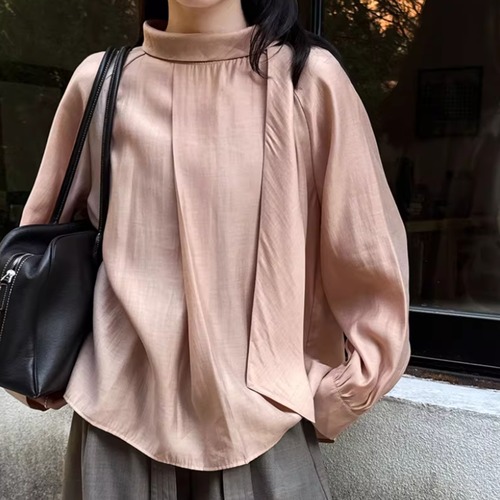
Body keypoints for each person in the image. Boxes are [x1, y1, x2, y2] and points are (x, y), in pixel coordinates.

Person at [7, 0, 411, 498]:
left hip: (263, 428)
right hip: (114, 423)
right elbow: (38, 248)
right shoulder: (101, 83)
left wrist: (330, 396)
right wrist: (36, 363)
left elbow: (369, 263)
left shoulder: (307, 81)